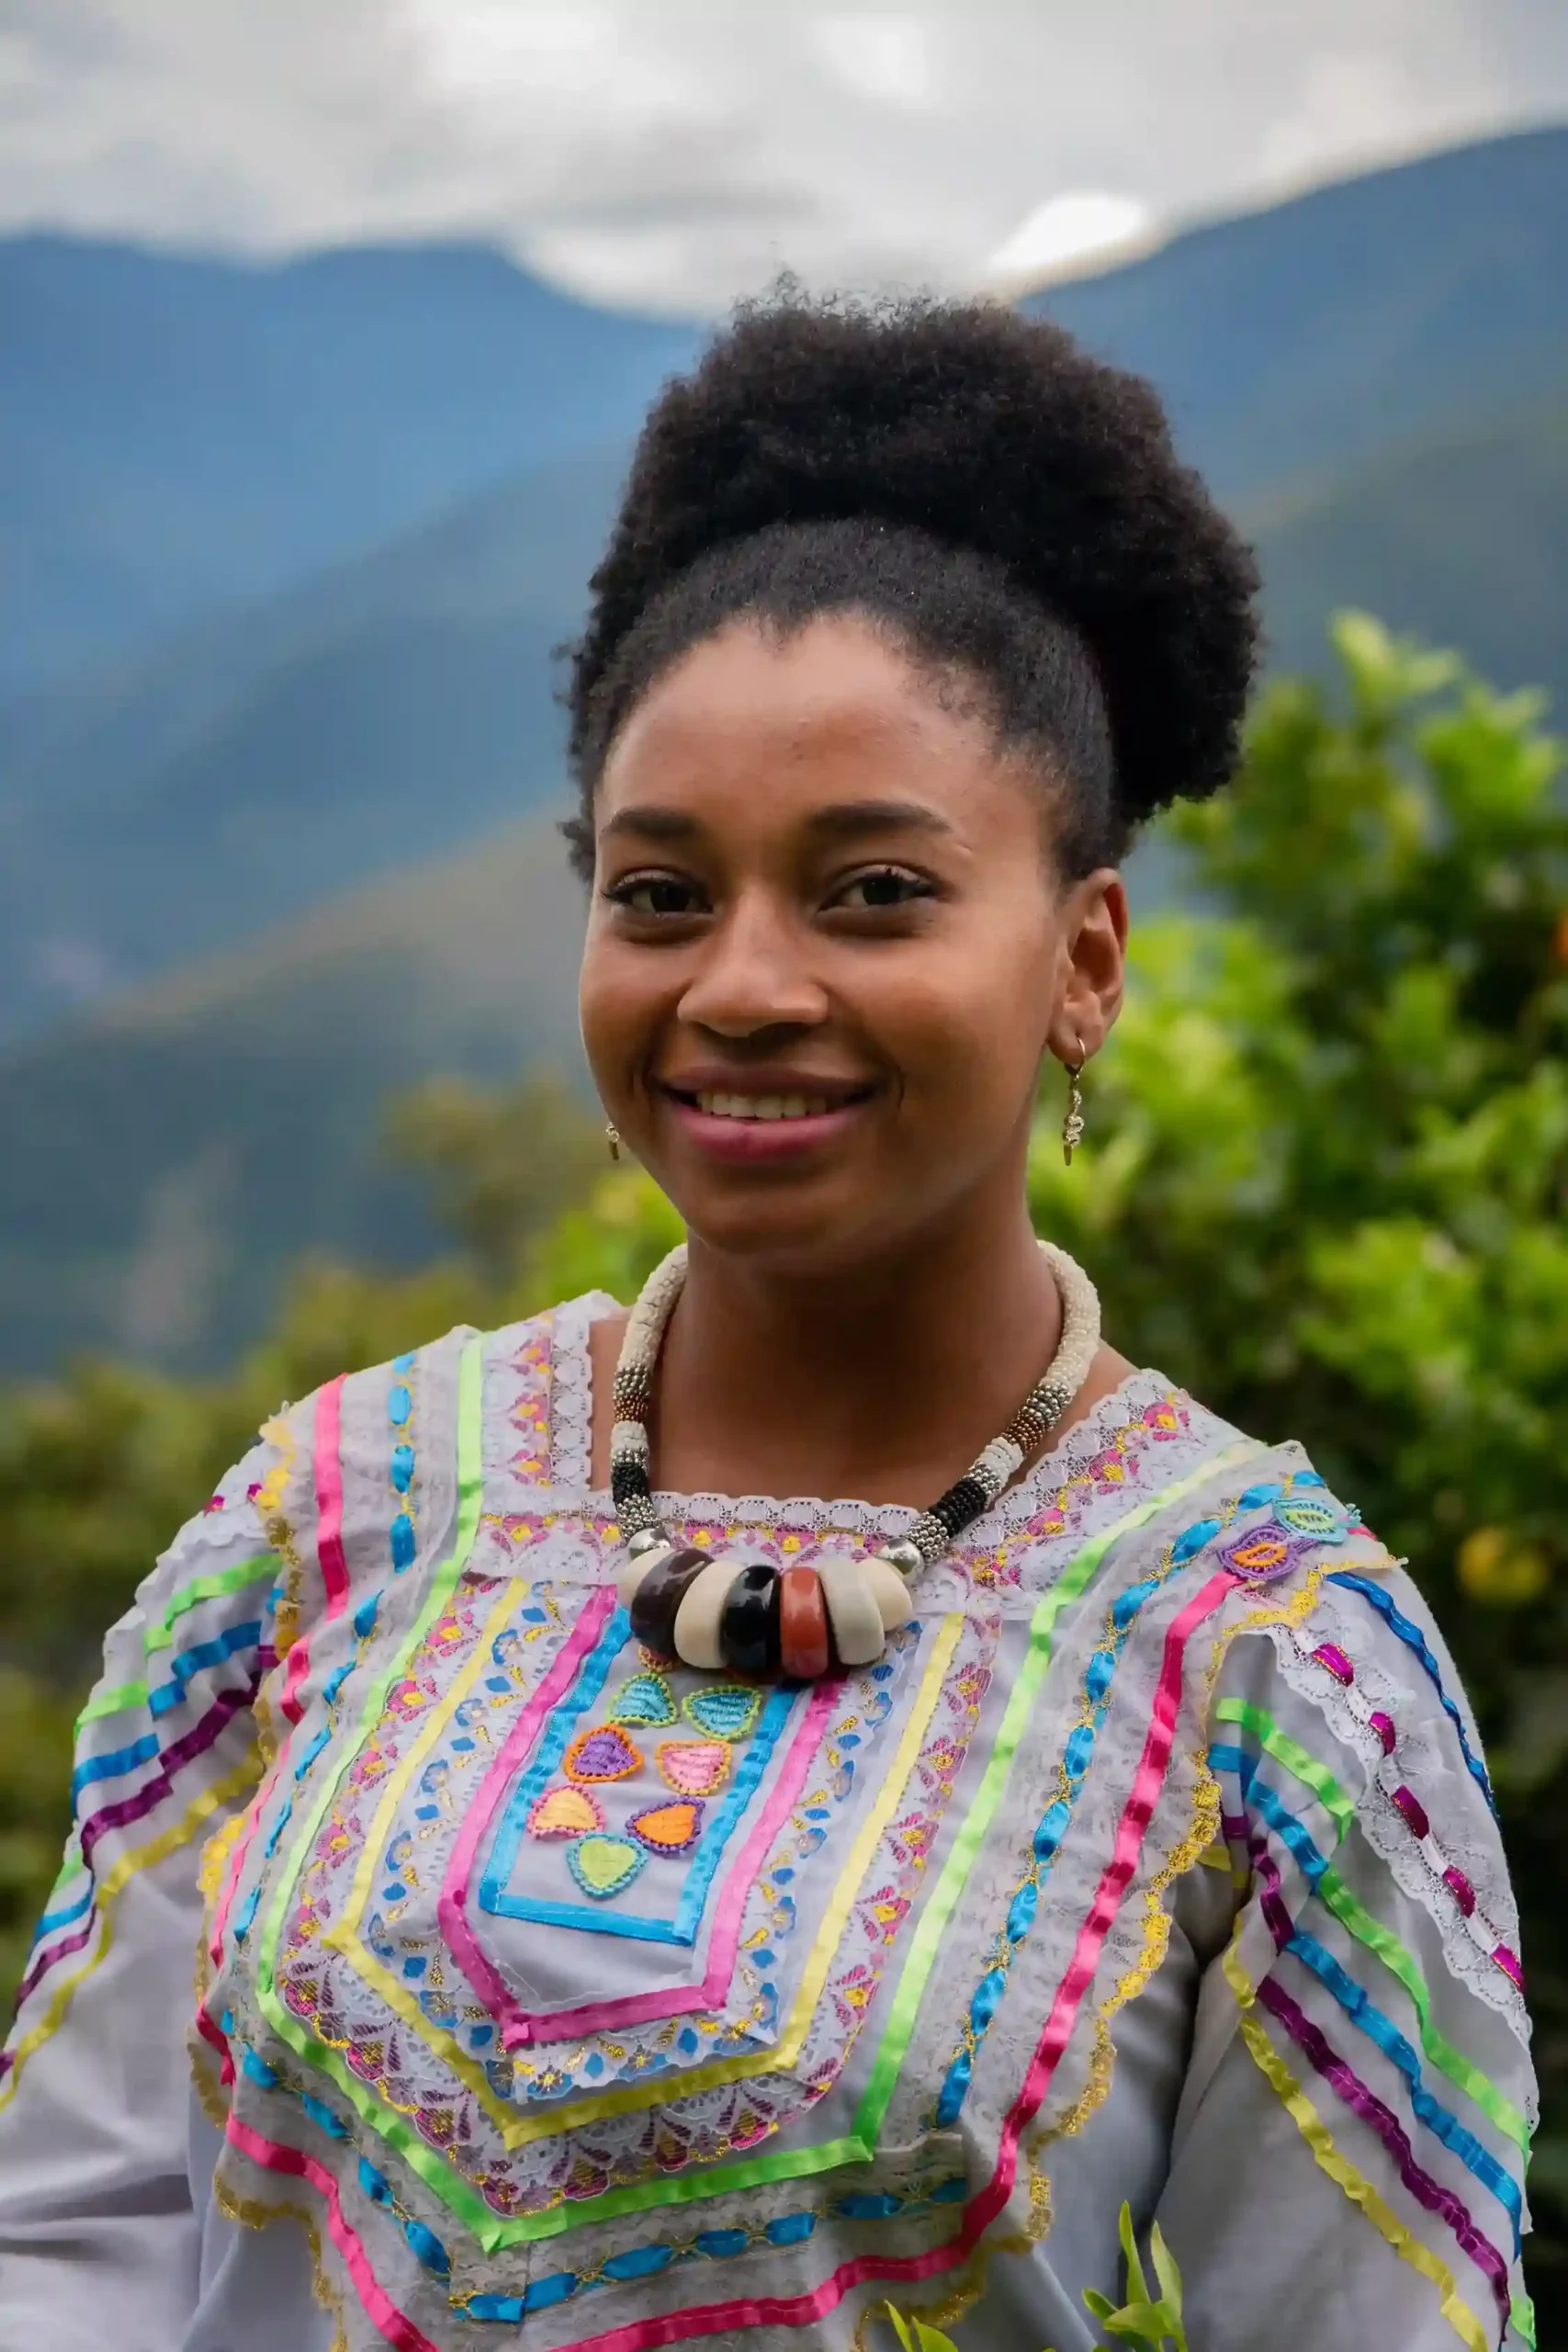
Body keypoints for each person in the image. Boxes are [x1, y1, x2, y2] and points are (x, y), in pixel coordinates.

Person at [0, 294, 1534, 2352]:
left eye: (873, 891)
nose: (739, 982)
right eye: (658, 891)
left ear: (1083, 959)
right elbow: (69, 2221)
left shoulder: (1261, 1663)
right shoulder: (334, 1518)